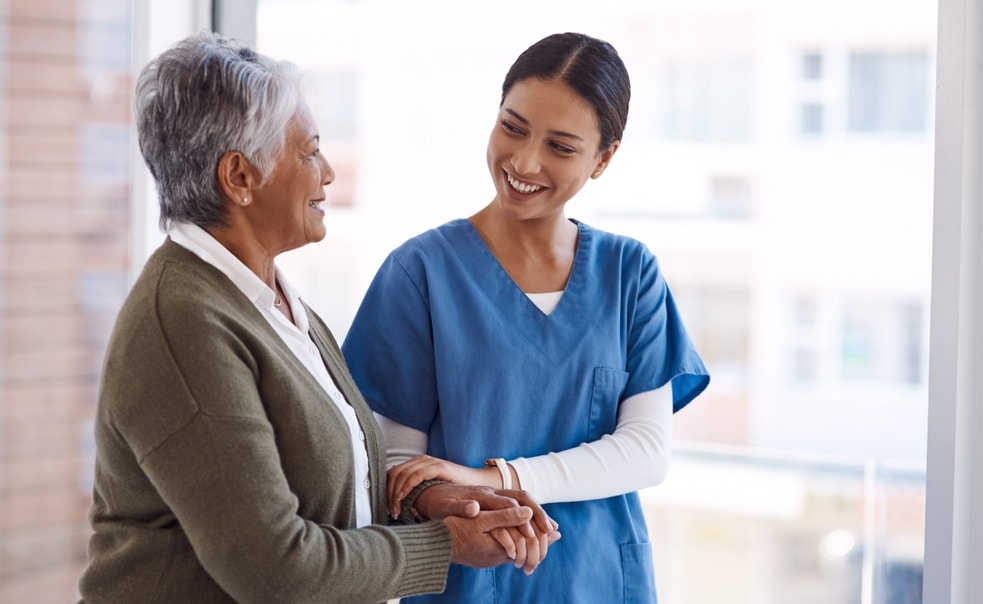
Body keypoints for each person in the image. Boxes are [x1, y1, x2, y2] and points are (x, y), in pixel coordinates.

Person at [77, 31, 560, 604]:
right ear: (239, 178)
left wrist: (425, 499)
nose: (328, 172)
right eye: (308, 152)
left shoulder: (269, 299)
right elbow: (275, 569)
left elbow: (317, 484)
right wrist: (444, 543)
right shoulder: (184, 322)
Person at [341, 32, 711, 603]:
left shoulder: (629, 273)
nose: (524, 161)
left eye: (561, 147)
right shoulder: (420, 273)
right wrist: (455, 496)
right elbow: (401, 467)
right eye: (513, 127)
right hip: (468, 582)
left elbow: (645, 450)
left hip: (600, 582)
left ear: (603, 159)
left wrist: (497, 478)